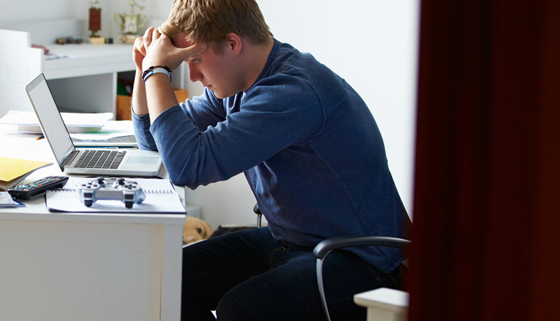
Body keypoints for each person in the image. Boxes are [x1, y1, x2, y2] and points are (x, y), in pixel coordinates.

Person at [129, 0, 410, 320]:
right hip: (296, 240)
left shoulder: (292, 91)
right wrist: (144, 71)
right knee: (164, 279)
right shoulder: (238, 83)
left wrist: (158, 73)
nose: (193, 76)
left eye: (195, 60)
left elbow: (186, 167)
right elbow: (155, 145)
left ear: (233, 43)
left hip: (364, 259)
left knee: (241, 309)